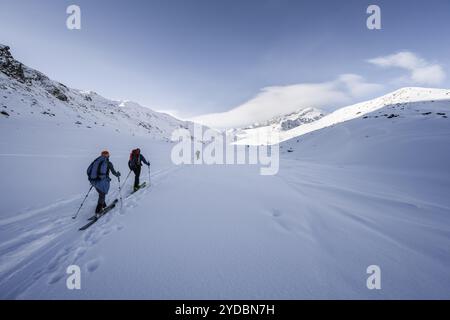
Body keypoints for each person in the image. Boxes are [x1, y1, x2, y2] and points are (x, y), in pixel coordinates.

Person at [87, 150, 121, 215]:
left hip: (94, 181)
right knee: (102, 194)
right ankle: (98, 210)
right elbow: (113, 172)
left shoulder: (96, 161)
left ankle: (104, 205)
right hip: (101, 181)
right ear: (108, 156)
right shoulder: (108, 163)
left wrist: (93, 178)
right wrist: (117, 174)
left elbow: (90, 171)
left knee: (101, 193)